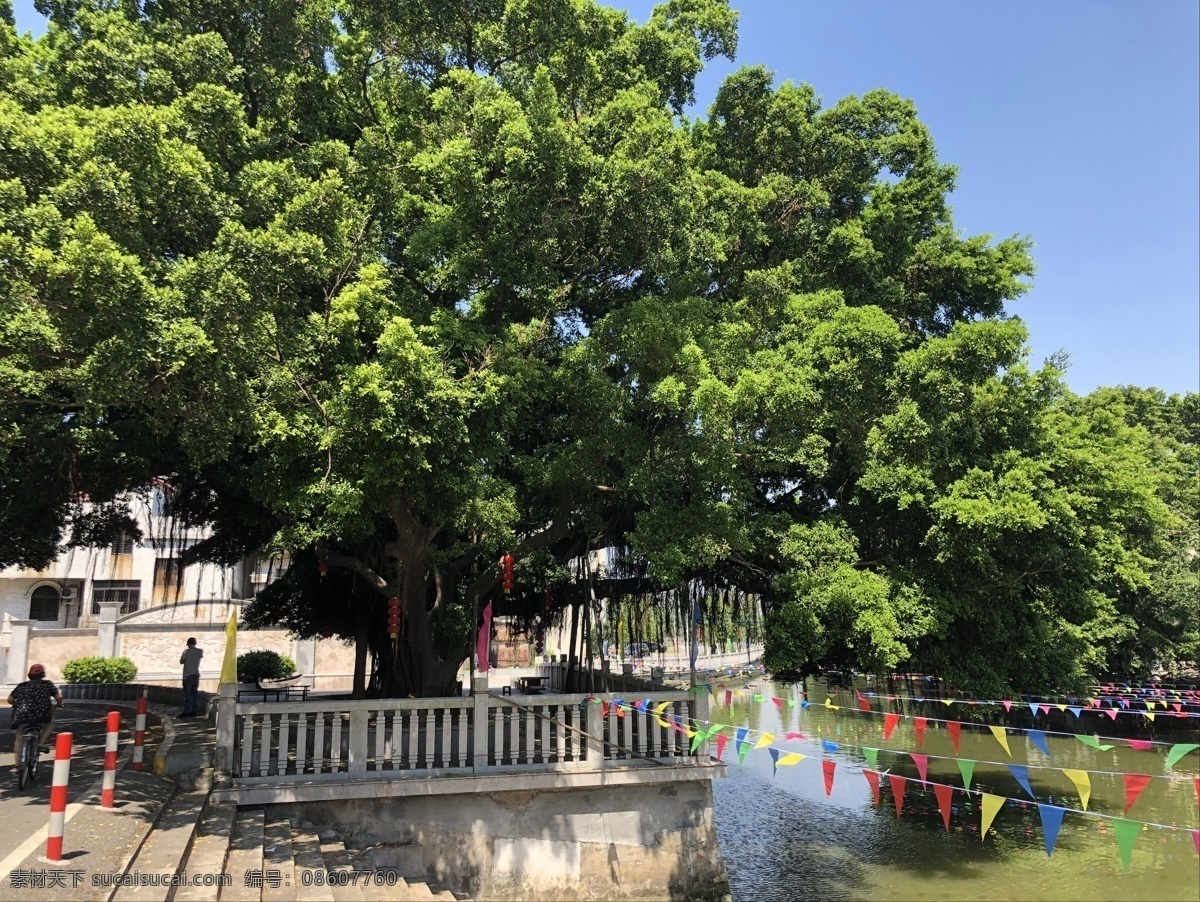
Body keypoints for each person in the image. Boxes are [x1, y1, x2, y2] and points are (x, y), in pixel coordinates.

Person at [7, 664, 63, 770]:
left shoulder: (21, 686)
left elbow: (10, 699)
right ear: (42, 674)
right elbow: (59, 697)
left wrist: (15, 704)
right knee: (52, 722)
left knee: (19, 739)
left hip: (22, 716)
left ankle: (18, 765)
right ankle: (40, 744)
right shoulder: (47, 684)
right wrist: (59, 704)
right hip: (42, 716)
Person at [180, 637, 203, 717]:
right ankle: (194, 711)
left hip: (187, 675)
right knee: (195, 694)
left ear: (189, 644)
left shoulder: (186, 652)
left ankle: (186, 712)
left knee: (187, 695)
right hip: (196, 675)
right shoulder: (200, 651)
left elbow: (181, 661)